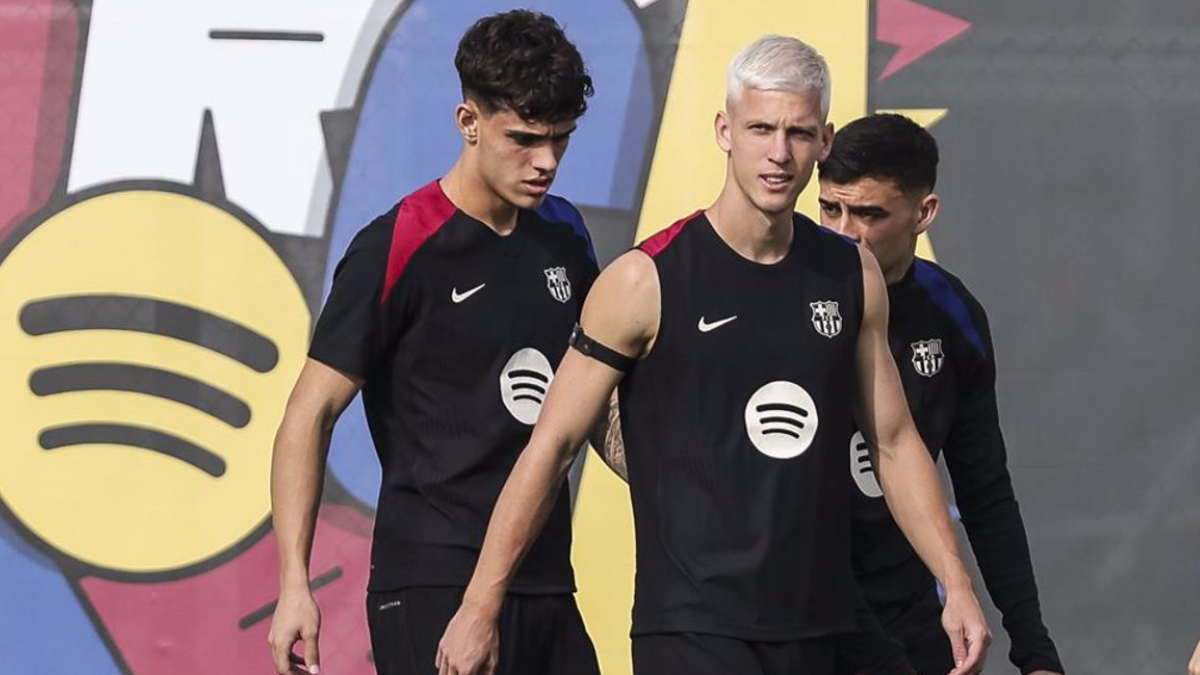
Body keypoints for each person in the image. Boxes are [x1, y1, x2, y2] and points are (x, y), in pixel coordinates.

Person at [437, 35, 991, 675]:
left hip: (819, 629)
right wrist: (480, 605)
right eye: (761, 129)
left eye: (799, 133)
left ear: (826, 141)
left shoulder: (851, 275)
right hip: (692, 630)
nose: (779, 154)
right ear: (725, 130)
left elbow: (893, 443)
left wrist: (957, 584)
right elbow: (551, 447)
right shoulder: (645, 280)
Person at [266, 10, 604, 675]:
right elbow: (309, 413)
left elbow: (598, 395)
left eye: (561, 140)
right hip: (432, 582)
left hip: (544, 580)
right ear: (468, 122)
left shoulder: (566, 233)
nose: (547, 163)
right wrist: (293, 583)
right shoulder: (397, 246)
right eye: (526, 139)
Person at [817, 114, 1064, 675]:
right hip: (795, 619)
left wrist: (1034, 649)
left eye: (869, 214)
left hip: (905, 616)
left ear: (923, 214)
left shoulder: (952, 315)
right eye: (830, 207)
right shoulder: (784, 297)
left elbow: (985, 491)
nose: (842, 231)